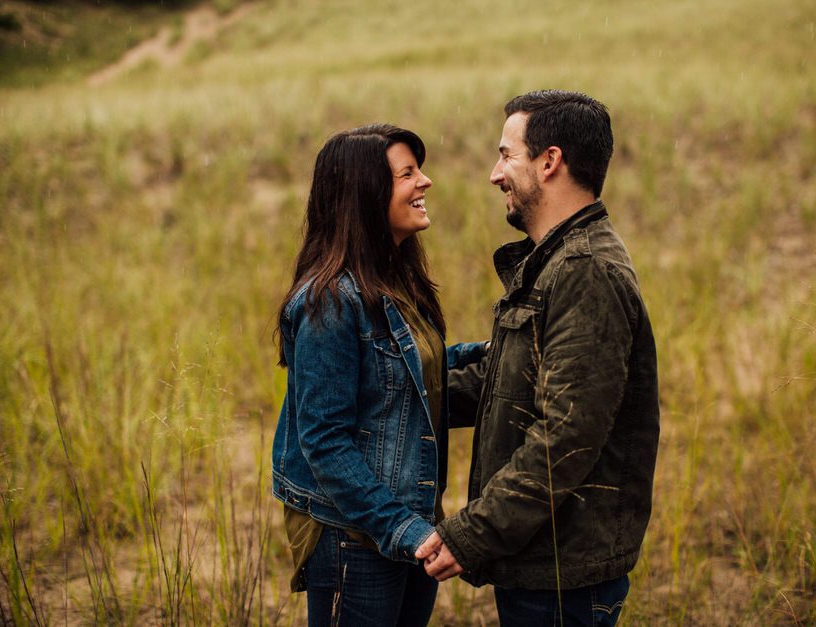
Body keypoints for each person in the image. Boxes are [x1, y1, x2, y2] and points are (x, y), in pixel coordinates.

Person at [415, 90, 660, 626]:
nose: (494, 173)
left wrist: (473, 532)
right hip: (542, 559)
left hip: (563, 573)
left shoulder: (585, 271)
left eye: (507, 154)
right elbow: (503, 381)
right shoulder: (554, 262)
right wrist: (396, 389)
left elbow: (565, 437)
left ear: (549, 162)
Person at [271, 124, 486, 626]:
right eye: (407, 174)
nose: (425, 182)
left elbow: (410, 373)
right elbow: (324, 440)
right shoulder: (330, 302)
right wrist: (405, 530)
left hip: (408, 522)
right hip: (355, 536)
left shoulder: (393, 279)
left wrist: (495, 353)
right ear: (365, 195)